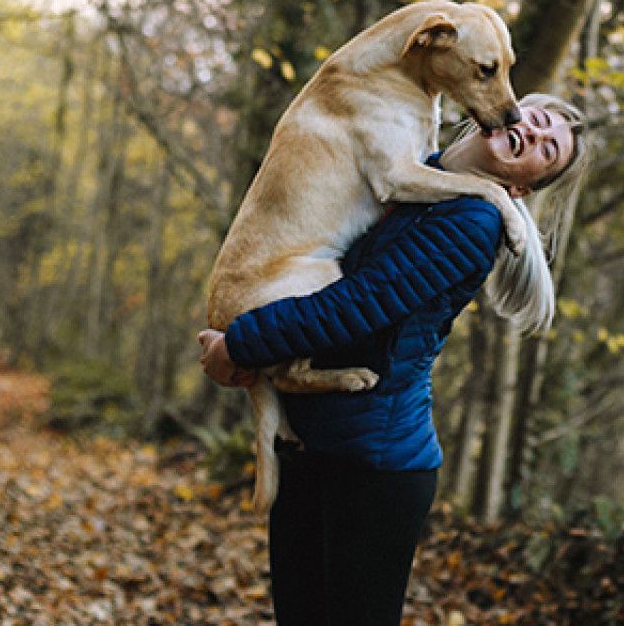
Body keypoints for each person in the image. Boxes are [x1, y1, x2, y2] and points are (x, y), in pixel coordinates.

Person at [197, 93, 589, 626]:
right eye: (539, 122)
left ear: (518, 188)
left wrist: (240, 346)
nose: (537, 136)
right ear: (505, 111)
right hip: (311, 444)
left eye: (548, 151)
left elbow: (358, 305)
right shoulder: (410, 177)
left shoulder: (473, 222)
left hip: (376, 468)